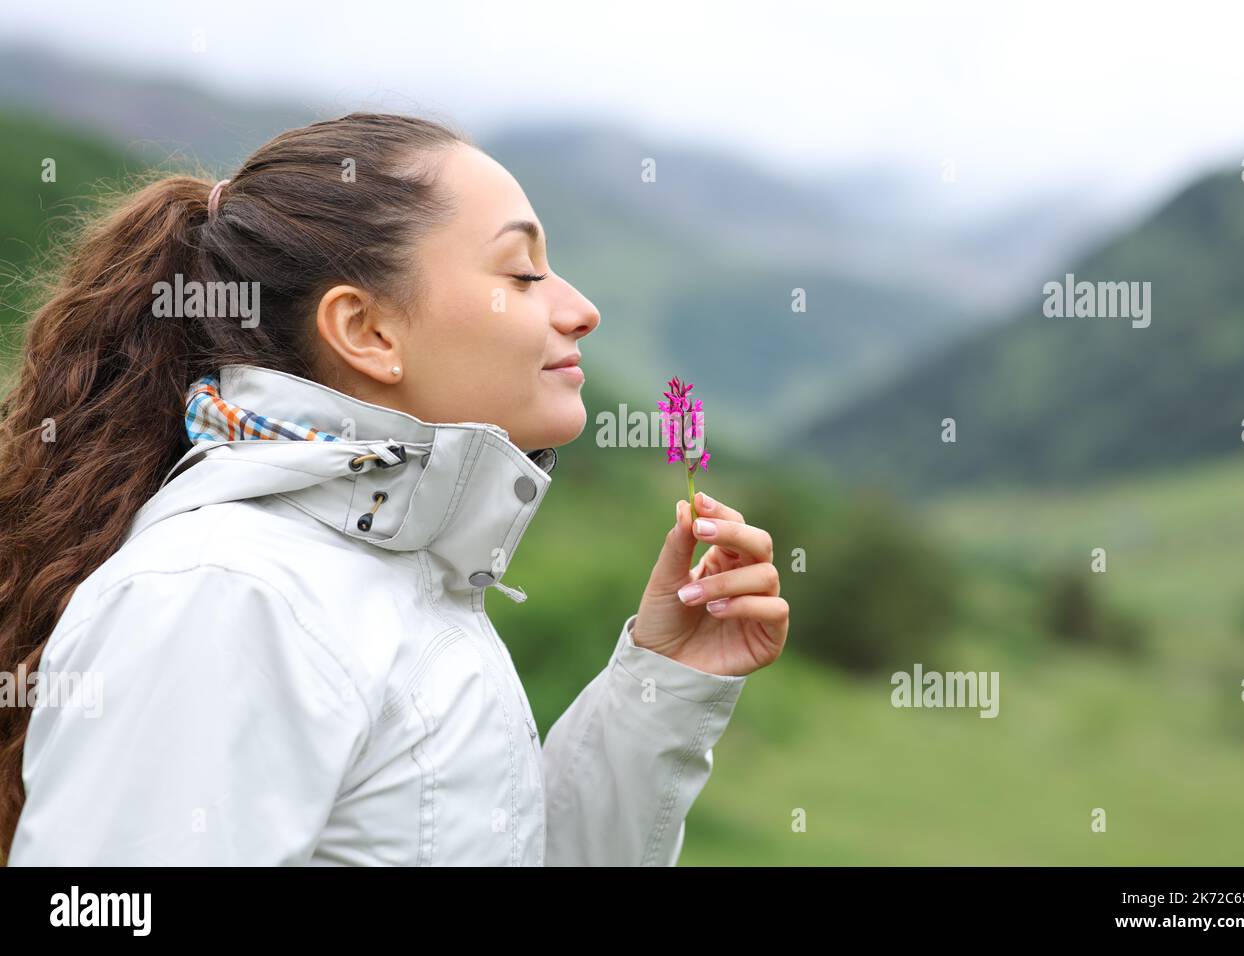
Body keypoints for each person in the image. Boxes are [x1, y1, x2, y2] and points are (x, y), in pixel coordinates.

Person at [0, 113, 789, 865]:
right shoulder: (228, 595)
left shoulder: (398, 573)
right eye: (522, 272)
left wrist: (664, 682)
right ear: (367, 332)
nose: (581, 310)